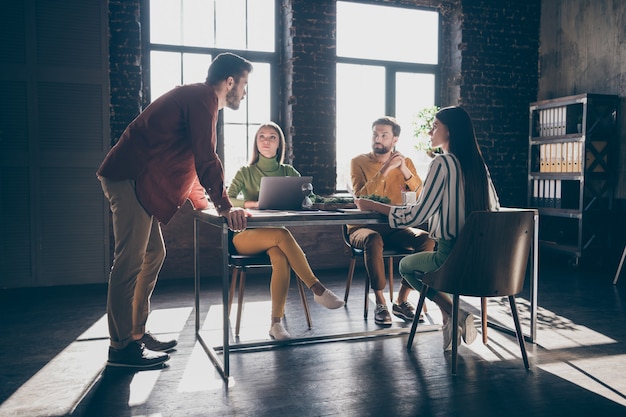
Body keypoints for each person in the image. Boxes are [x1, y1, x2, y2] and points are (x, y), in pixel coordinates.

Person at [97, 52, 253, 368]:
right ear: (230, 81)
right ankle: (120, 347)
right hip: (129, 177)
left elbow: (190, 162)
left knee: (155, 254)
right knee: (129, 262)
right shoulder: (202, 97)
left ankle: (137, 332)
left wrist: (204, 203)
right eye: (245, 84)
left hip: (137, 181)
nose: (245, 92)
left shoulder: (202, 101)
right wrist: (224, 206)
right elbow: (206, 159)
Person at [355, 106, 500, 351]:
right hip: (485, 260)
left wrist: (375, 207)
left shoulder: (442, 164)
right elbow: (494, 209)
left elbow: (419, 213)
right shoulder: (479, 165)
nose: (430, 131)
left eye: (435, 126)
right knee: (422, 254)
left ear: (450, 132)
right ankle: (450, 317)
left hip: (451, 257)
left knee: (405, 266)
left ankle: (455, 313)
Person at [228, 122, 345, 340]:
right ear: (255, 142)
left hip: (275, 240)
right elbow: (228, 199)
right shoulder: (245, 172)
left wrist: (306, 201)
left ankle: (275, 323)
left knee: (281, 257)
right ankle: (317, 289)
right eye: (261, 136)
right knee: (282, 234)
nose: (266, 140)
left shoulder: (288, 172)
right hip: (245, 237)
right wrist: (251, 204)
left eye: (272, 137)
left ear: (279, 144)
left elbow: (307, 198)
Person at [348, 116, 436, 326]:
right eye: (375, 134)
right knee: (373, 239)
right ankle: (380, 301)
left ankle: (402, 299)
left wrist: (404, 170)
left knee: (427, 240)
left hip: (396, 227)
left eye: (384, 135)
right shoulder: (357, 162)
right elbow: (361, 197)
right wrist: (386, 169)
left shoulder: (407, 164)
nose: (378, 138)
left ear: (394, 139)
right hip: (362, 228)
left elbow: (422, 195)